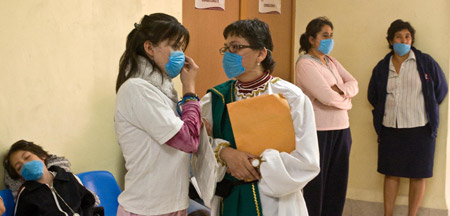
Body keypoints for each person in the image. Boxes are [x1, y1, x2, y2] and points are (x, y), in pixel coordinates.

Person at [200, 18, 320, 216]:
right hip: (228, 198)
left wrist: (254, 164)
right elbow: (200, 147)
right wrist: (224, 153)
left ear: (261, 53)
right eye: (226, 48)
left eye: (236, 47)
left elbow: (307, 162)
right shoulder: (214, 99)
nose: (229, 54)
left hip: (275, 202)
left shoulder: (290, 97)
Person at [114, 13, 201, 216]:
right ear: (149, 48)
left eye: (182, 48)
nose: (180, 54)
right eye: (174, 46)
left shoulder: (162, 90)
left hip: (172, 205)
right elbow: (187, 141)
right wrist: (189, 88)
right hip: (147, 209)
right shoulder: (137, 89)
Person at [368, 19, 448, 216]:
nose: (403, 40)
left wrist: (425, 106)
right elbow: (373, 95)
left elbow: (441, 89)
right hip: (391, 128)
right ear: (391, 40)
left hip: (420, 127)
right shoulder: (382, 67)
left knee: (418, 175)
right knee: (391, 173)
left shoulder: (425, 62)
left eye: (407, 37)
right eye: (398, 36)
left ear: (412, 40)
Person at [295, 17, 359, 216]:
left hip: (342, 129)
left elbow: (354, 83)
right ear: (311, 39)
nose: (329, 40)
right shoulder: (305, 64)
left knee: (337, 183)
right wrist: (345, 99)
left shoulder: (331, 61)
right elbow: (326, 96)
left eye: (331, 36)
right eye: (325, 36)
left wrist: (340, 91)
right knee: (317, 185)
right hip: (319, 131)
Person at [3, 140, 96, 215]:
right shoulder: (26, 195)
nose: (25, 165)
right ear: (21, 176)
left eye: (27, 157)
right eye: (19, 167)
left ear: (42, 156)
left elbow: (88, 201)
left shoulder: (67, 177)